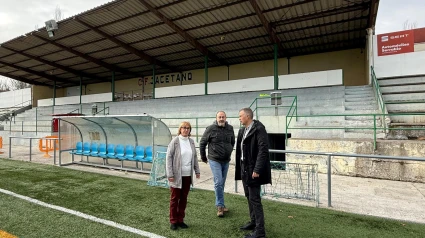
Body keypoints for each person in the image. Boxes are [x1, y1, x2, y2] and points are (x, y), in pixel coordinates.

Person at [235, 108, 271, 238]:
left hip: (253, 169)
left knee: (255, 199)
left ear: (248, 116)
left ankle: (260, 231)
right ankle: (254, 222)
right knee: (249, 197)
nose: (239, 118)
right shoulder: (243, 130)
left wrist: (257, 169)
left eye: (240, 116)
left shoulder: (259, 128)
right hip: (245, 167)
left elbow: (263, 150)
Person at [199, 111, 235, 217]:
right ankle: (219, 206)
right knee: (218, 182)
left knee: (221, 183)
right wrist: (203, 157)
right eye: (219, 117)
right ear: (216, 118)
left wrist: (229, 151)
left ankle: (221, 204)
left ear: (226, 117)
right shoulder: (210, 128)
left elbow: (232, 142)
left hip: (226, 160)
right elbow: (202, 143)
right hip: (214, 159)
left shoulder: (230, 128)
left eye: (223, 117)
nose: (221, 119)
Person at [166, 121, 200, 230]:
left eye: (188, 128)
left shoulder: (191, 142)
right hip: (176, 176)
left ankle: (180, 220)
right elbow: (169, 158)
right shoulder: (175, 141)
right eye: (184, 127)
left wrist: (197, 170)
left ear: (190, 130)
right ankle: (173, 221)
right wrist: (170, 174)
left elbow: (194, 157)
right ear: (180, 129)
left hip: (187, 176)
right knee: (175, 198)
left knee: (184, 198)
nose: (186, 129)